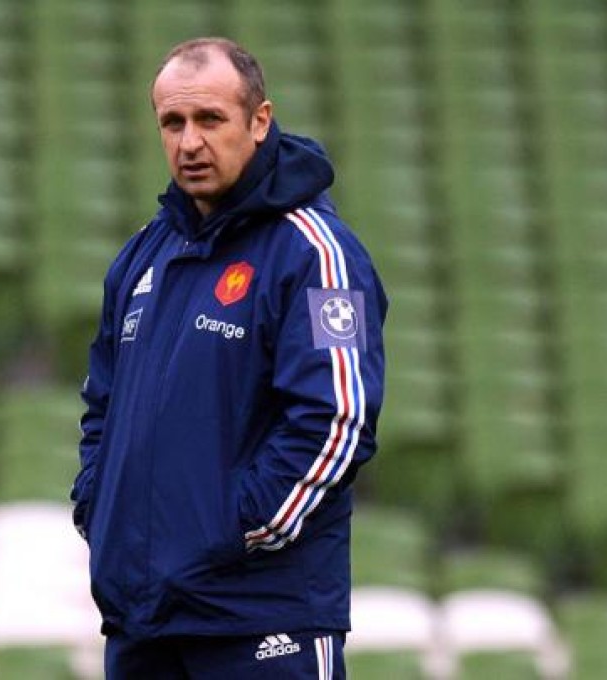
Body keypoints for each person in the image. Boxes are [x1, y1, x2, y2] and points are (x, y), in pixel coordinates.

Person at [70, 37, 387, 679]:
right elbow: (102, 404)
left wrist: (231, 528)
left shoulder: (315, 255)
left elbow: (338, 420)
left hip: (262, 620)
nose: (190, 143)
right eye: (173, 123)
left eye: (210, 120)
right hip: (144, 620)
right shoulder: (143, 256)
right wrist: (99, 506)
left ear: (259, 121)